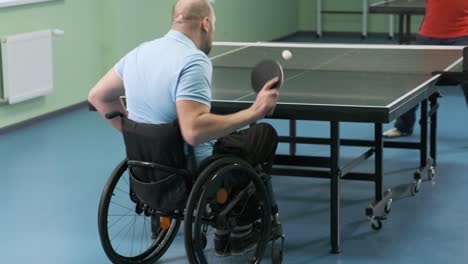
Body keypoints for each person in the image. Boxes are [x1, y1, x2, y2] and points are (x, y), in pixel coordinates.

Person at [88, 0, 280, 257]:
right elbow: (193, 131)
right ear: (206, 23)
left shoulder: (138, 53)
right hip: (191, 169)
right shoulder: (193, 61)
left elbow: (98, 96)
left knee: (229, 134)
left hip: (145, 165)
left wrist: (138, 134)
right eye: (214, 27)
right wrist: (253, 112)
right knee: (263, 134)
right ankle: (240, 231)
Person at [383, 0, 468, 138]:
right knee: (415, 83)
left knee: (467, 82)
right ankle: (403, 126)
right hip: (428, 36)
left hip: (463, 36)